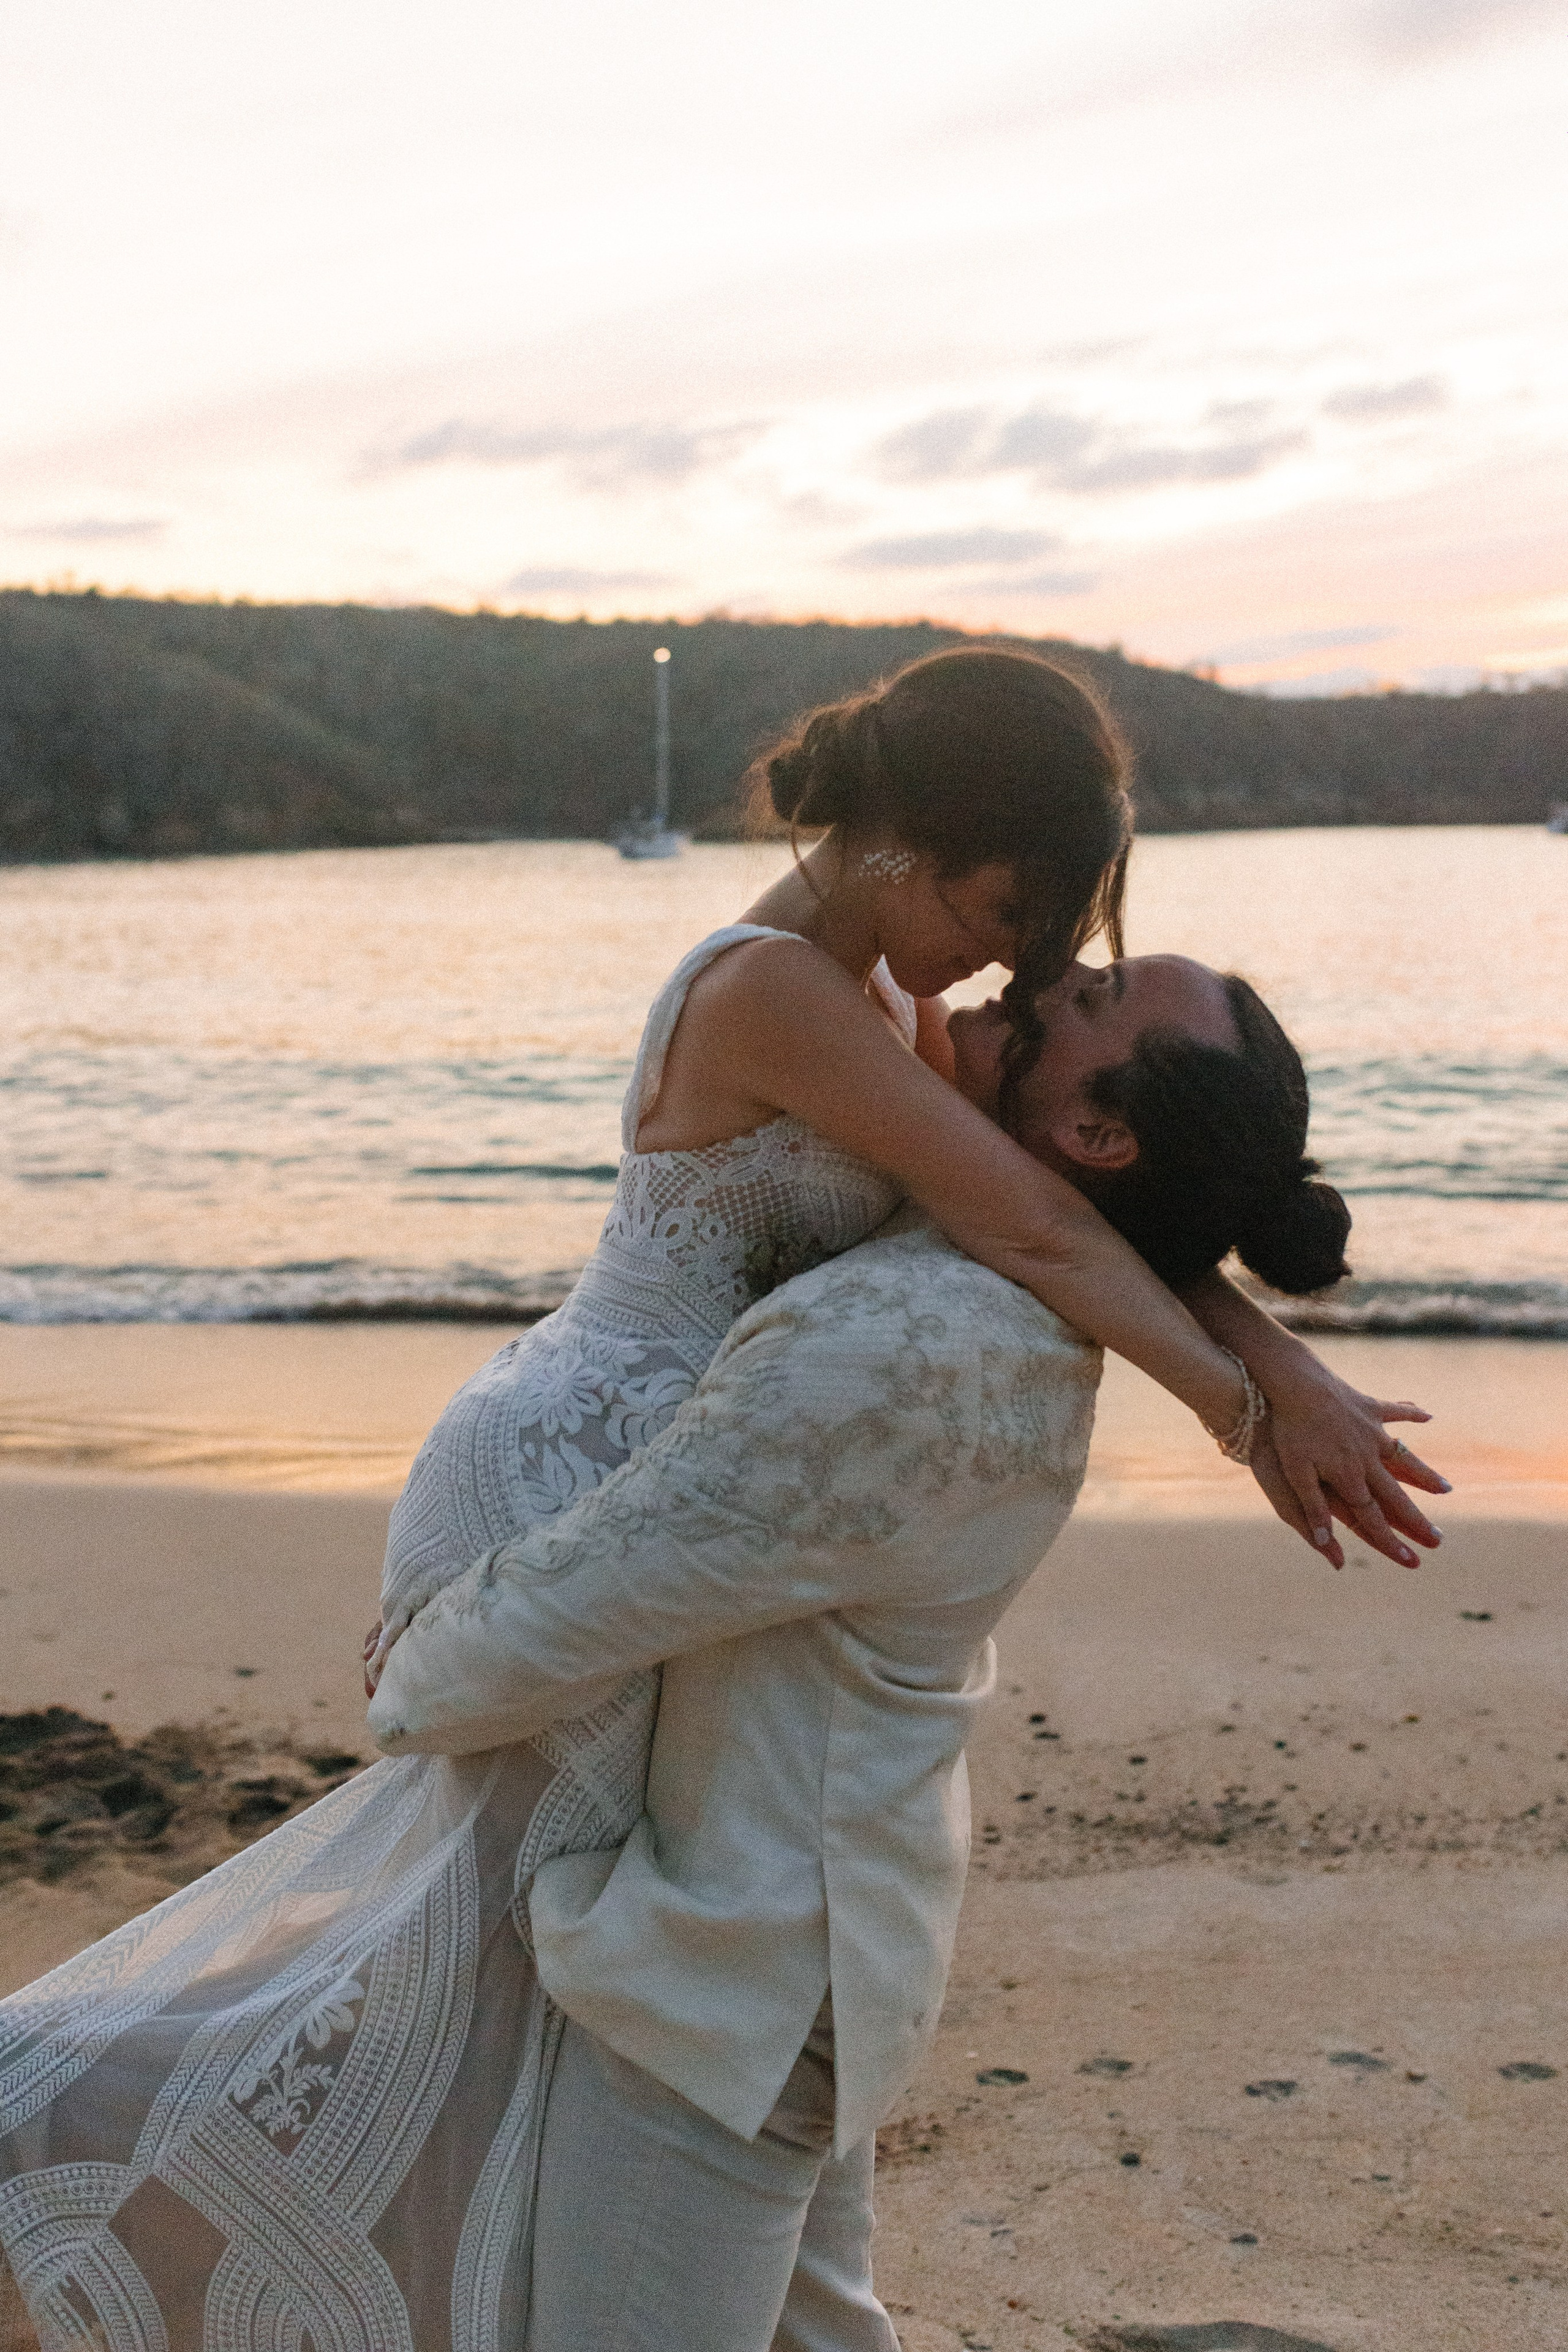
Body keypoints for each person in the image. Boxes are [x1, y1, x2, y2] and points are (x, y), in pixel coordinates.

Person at [0, 651, 1437, 2351]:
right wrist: (1249, 1405)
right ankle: (110, 2168)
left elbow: (1055, 1208)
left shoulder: (893, 1005)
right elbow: (1046, 1222)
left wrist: (1275, 1355)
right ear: (910, 843)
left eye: (1059, 945)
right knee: (452, 1961)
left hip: (656, 1495)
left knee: (492, 1976)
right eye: (1007, 907)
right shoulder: (776, 993)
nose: (1022, 963)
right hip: (559, 1468)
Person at [365, 951, 1447, 2351]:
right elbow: (1061, 1220)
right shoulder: (985, 1263)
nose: (1054, 968)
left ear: (1095, 1134)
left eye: (1099, 997)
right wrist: (1264, 1369)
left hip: (731, 1980)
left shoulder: (910, 1346)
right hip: (810, 1936)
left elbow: (592, 1595)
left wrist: (407, 1675)